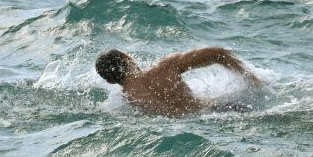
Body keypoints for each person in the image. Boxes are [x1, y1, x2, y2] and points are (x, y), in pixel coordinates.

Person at [95, 46, 261, 116]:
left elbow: (170, 115)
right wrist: (252, 78)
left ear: (110, 81)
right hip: (222, 110)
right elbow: (218, 53)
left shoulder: (127, 99)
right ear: (126, 57)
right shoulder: (165, 66)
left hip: (200, 123)